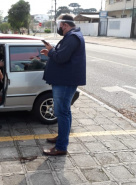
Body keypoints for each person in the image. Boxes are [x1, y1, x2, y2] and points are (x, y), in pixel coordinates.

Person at [40, 14, 86, 156]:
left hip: (65, 82)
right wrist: (52, 50)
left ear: (64, 25)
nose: (59, 28)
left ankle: (61, 147)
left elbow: (61, 57)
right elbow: (63, 54)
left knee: (62, 113)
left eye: (59, 26)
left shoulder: (73, 37)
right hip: (65, 80)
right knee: (65, 112)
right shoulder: (72, 36)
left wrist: (51, 52)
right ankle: (61, 138)